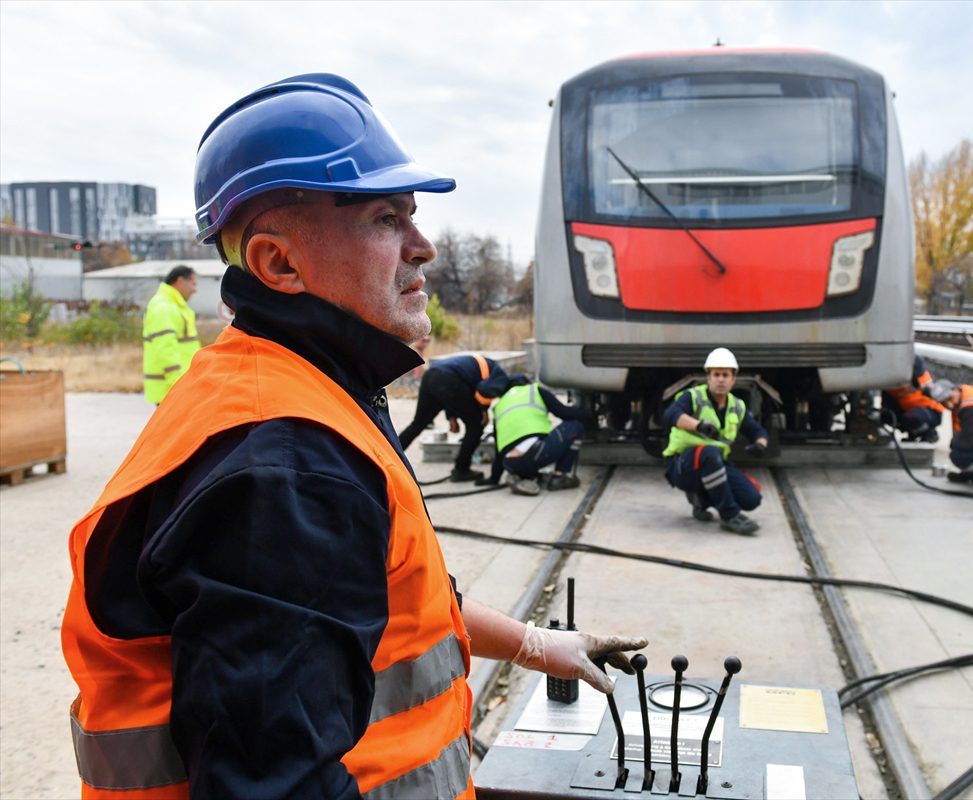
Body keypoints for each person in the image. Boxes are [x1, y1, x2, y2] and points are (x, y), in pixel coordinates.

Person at [60, 73, 645, 800]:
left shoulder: (295, 387)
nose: (425, 247)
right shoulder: (288, 469)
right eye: (385, 219)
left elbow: (388, 604)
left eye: (413, 216)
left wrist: (535, 645)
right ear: (279, 263)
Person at [661, 347, 768, 535]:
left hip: (714, 464)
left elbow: (757, 431)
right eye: (716, 374)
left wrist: (760, 444)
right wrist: (698, 425)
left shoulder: (737, 406)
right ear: (708, 378)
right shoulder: (693, 396)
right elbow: (670, 415)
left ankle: (700, 499)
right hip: (682, 465)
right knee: (710, 453)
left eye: (725, 375)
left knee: (752, 498)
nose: (720, 379)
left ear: (733, 379)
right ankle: (730, 516)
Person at [397, 353, 510, 481]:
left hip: (431, 375)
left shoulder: (481, 365)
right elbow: (484, 389)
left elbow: (458, 388)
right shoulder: (500, 376)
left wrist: (452, 416)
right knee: (476, 425)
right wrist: (484, 409)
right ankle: (461, 470)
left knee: (418, 424)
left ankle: (387, 458)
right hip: (447, 379)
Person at [481, 376, 589, 495]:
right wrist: (588, 416)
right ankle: (560, 476)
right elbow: (565, 413)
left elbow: (498, 450)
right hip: (535, 454)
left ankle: (523, 476)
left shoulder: (500, 405)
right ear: (527, 384)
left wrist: (494, 479)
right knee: (575, 425)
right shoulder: (534, 390)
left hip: (509, 463)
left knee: (526, 449)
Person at [142, 264, 200, 404]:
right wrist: (177, 385)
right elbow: (165, 349)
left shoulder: (172, 306)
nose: (195, 290)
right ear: (180, 281)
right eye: (193, 284)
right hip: (172, 389)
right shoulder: (164, 307)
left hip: (178, 387)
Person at [882, 354, 944, 442]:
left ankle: (929, 434)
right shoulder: (886, 379)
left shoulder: (914, 366)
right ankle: (913, 432)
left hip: (930, 410)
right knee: (887, 417)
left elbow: (926, 387)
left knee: (911, 417)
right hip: (909, 410)